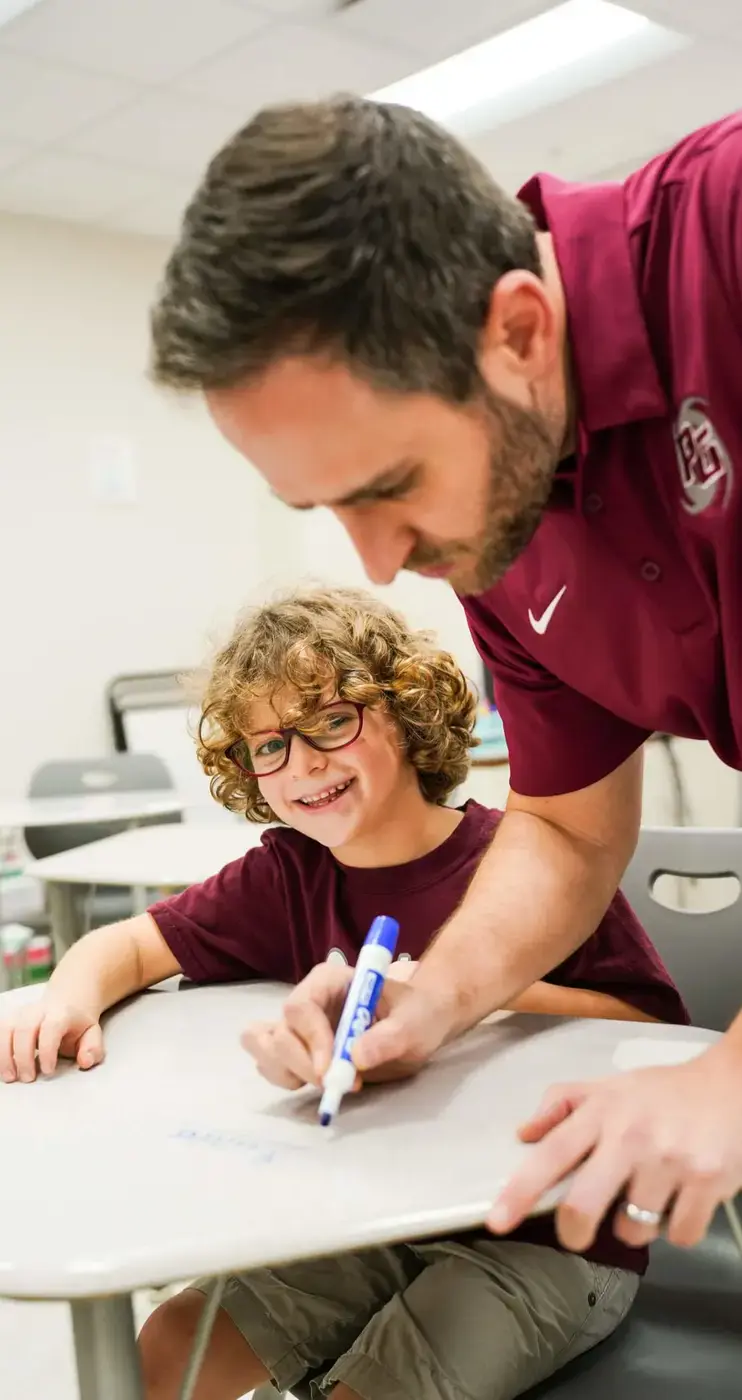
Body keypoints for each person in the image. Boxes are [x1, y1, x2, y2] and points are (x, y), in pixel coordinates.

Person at [148, 97, 742, 1251]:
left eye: (390, 482)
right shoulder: (499, 513)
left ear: (518, 329)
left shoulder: (725, 235)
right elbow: (567, 830)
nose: (379, 560)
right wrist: (434, 995)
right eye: (324, 510)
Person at [0, 586, 687, 1400]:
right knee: (169, 1344)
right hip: (369, 1217)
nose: (304, 764)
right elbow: (127, 944)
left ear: (407, 712)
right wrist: (69, 997)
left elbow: (659, 1037)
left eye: (331, 722)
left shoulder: (528, 866)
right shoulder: (288, 874)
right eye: (270, 745)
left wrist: (463, 1004)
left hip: (548, 1231)